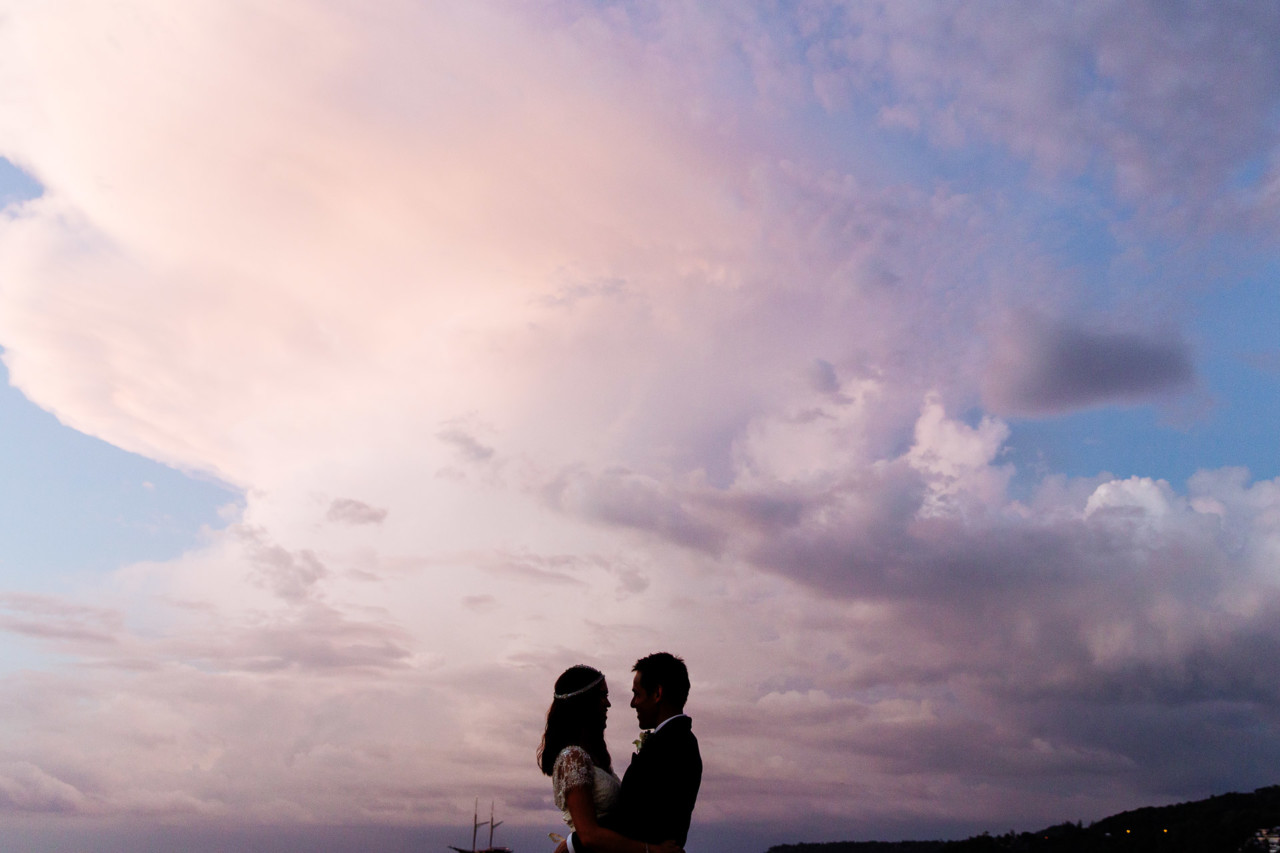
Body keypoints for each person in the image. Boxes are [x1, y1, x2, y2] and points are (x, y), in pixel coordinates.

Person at [539, 665, 682, 853]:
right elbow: (588, 835)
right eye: (602, 695)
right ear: (584, 702)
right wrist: (652, 850)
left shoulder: (592, 757)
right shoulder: (573, 758)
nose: (608, 704)